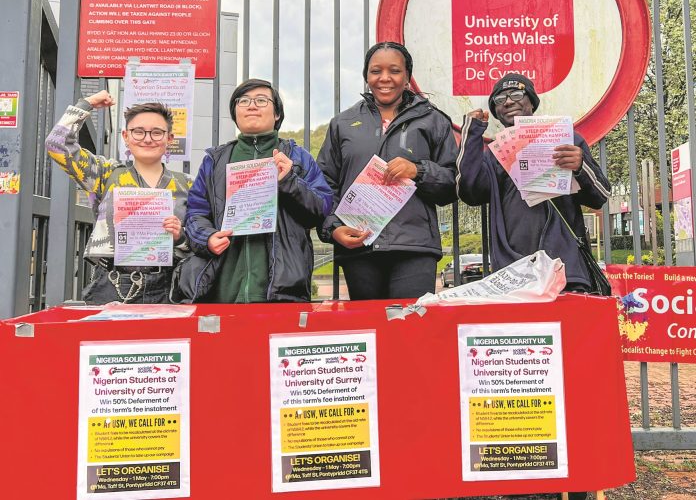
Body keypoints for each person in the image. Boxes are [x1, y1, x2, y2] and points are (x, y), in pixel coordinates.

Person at [457, 73, 610, 500]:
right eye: (501, 96)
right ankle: (528, 479)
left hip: (569, 275)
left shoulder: (568, 139)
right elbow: (468, 191)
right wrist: (472, 136)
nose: (510, 99)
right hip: (515, 279)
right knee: (523, 378)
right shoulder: (491, 153)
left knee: (572, 380)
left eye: (518, 92)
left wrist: (579, 165)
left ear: (533, 101)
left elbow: (600, 196)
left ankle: (577, 477)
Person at [317, 41, 458, 300]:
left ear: (407, 77)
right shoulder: (342, 123)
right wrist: (334, 228)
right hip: (359, 247)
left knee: (409, 330)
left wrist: (419, 170)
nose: (384, 78)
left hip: (414, 247)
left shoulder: (434, 120)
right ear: (366, 76)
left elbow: (453, 184)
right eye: (375, 71)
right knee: (370, 331)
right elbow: (324, 186)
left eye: (394, 70)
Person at [182, 78, 332, 303]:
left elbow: (322, 209)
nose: (251, 105)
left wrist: (289, 182)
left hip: (282, 291)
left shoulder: (297, 158)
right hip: (223, 289)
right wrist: (208, 237)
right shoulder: (214, 161)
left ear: (277, 114)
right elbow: (195, 214)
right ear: (235, 113)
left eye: (261, 100)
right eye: (243, 101)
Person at [45, 90, 191, 304]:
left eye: (157, 133)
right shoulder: (105, 173)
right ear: (126, 136)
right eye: (138, 132)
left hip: (170, 284)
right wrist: (87, 104)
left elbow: (201, 237)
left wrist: (181, 236)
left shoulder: (188, 183)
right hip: (113, 283)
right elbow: (57, 145)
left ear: (169, 138)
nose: (147, 139)